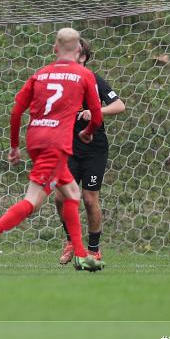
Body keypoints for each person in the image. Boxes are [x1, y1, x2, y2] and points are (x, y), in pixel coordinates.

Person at [0, 28, 104, 272]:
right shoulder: (84, 75)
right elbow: (95, 115)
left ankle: (82, 255)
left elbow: (16, 111)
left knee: (72, 193)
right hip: (57, 144)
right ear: (77, 51)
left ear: (55, 49)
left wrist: (14, 146)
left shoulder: (39, 74)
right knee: (33, 200)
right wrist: (88, 132)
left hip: (36, 139)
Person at [54, 38, 125, 264]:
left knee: (88, 199)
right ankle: (71, 243)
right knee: (59, 197)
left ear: (82, 57)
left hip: (94, 148)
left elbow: (120, 105)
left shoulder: (95, 80)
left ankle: (94, 250)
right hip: (68, 146)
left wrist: (97, 112)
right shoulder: (61, 81)